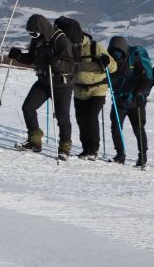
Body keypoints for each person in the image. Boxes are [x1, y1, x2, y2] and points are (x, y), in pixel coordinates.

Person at [8, 15, 76, 158]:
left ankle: (65, 147)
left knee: (62, 116)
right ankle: (35, 141)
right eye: (30, 33)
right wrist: (18, 56)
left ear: (43, 29)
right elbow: (32, 58)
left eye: (35, 33)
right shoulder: (37, 40)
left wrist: (55, 62)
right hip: (44, 81)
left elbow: (70, 65)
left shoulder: (60, 40)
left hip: (61, 84)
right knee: (28, 108)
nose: (33, 36)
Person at [56, 17, 116, 160]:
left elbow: (113, 68)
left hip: (97, 89)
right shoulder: (68, 47)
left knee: (91, 117)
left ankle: (93, 150)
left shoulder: (95, 47)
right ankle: (85, 149)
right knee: (81, 119)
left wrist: (106, 62)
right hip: (78, 89)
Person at [106, 36, 153, 167]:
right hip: (120, 99)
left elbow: (147, 79)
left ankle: (142, 157)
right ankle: (120, 155)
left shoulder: (135, 60)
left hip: (136, 101)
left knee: (138, 129)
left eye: (118, 50)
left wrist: (140, 92)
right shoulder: (111, 61)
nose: (115, 54)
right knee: (116, 127)